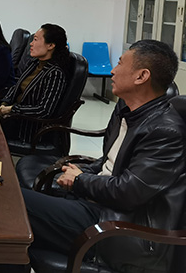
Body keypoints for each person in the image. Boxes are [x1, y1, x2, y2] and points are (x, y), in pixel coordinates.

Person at [18, 39, 186, 272]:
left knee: (13, 204)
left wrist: (80, 180)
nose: (112, 70)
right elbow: (109, 164)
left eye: (120, 63)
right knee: (17, 228)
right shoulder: (127, 110)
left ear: (141, 76)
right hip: (100, 205)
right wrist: (81, 173)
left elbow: (128, 192)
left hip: (116, 225)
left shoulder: (164, 130)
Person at [0, 23, 69, 147]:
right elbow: (16, 87)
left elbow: (43, 110)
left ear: (50, 46)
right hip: (14, 117)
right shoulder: (34, 63)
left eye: (35, 39)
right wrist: (4, 103)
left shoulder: (55, 73)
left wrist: (12, 109)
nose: (31, 43)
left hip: (27, 127)